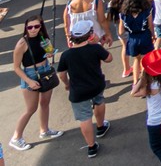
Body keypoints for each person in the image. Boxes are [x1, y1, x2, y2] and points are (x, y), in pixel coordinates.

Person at [56, 25, 113, 159]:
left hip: (78, 90)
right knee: (99, 101)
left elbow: (62, 74)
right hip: (96, 85)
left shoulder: (66, 55)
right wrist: (99, 43)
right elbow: (109, 58)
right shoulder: (95, 48)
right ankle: (100, 127)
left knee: (84, 117)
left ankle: (91, 147)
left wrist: (67, 85)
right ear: (90, 35)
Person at [10, 18, 61, 151]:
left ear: (41, 27)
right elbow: (16, 67)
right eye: (29, 27)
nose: (33, 29)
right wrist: (29, 81)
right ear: (25, 28)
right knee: (30, 109)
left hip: (45, 71)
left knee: (45, 103)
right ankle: (16, 138)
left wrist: (49, 52)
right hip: (31, 74)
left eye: (36, 26)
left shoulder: (43, 38)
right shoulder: (22, 43)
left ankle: (44, 130)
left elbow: (48, 54)